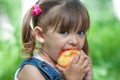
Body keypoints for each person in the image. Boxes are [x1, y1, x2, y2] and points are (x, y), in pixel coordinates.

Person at [14, 0, 92, 80]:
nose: (75, 41)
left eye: (80, 32)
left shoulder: (74, 67)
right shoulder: (31, 70)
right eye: (63, 32)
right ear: (40, 35)